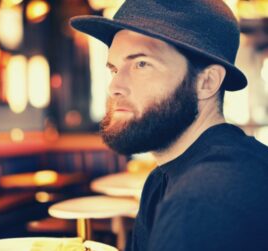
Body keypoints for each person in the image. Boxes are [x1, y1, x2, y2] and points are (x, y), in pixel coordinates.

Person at [70, 0, 268, 250]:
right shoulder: (161, 179)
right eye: (114, 69)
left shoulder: (206, 197)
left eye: (141, 64)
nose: (114, 87)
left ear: (206, 82)